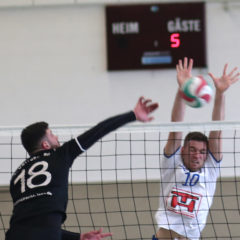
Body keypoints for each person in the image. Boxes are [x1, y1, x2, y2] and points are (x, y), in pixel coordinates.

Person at [5, 96, 158, 240]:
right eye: (51, 134)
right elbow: (98, 130)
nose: (57, 137)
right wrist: (132, 115)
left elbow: (35, 225)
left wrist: (77, 237)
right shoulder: (60, 154)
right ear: (45, 145)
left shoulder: (17, 176)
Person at [153, 58, 240, 240]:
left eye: (202, 152)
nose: (197, 155)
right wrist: (182, 89)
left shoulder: (210, 170)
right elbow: (176, 127)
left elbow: (217, 132)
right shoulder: (172, 164)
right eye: (192, 149)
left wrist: (220, 94)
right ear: (183, 150)